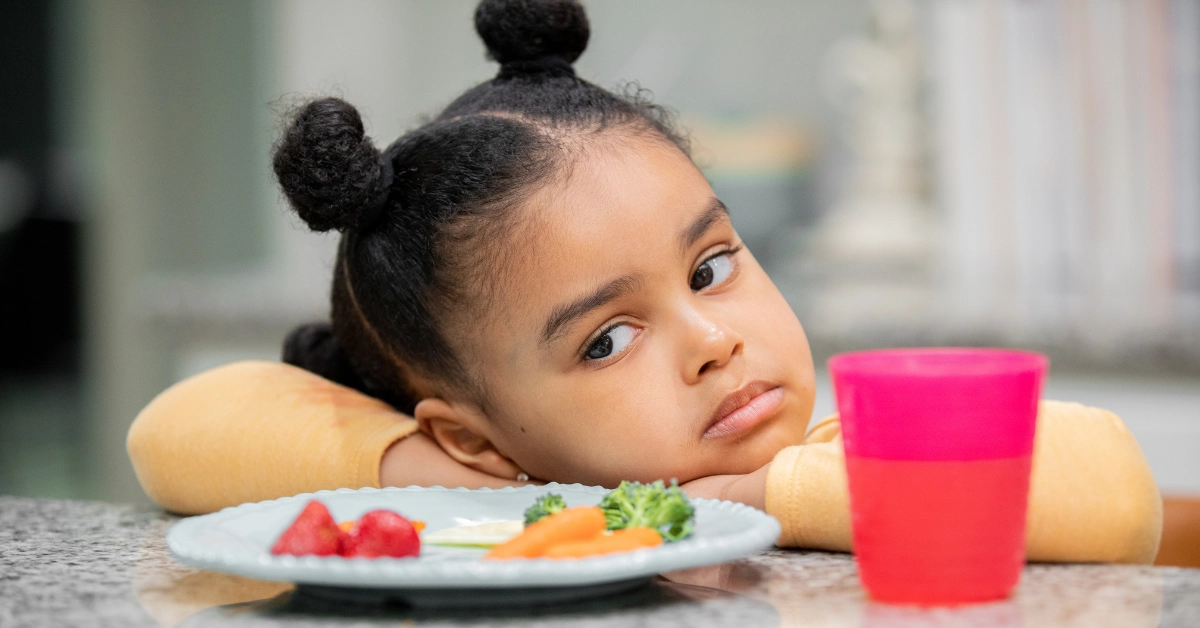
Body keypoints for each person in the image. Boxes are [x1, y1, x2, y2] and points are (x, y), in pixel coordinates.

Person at [127, 0, 1161, 564]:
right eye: (608, 340)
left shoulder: (829, 456)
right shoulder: (522, 502)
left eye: (710, 267)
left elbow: (1115, 492)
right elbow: (174, 429)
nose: (713, 340)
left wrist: (744, 497)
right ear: (475, 438)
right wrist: (497, 491)